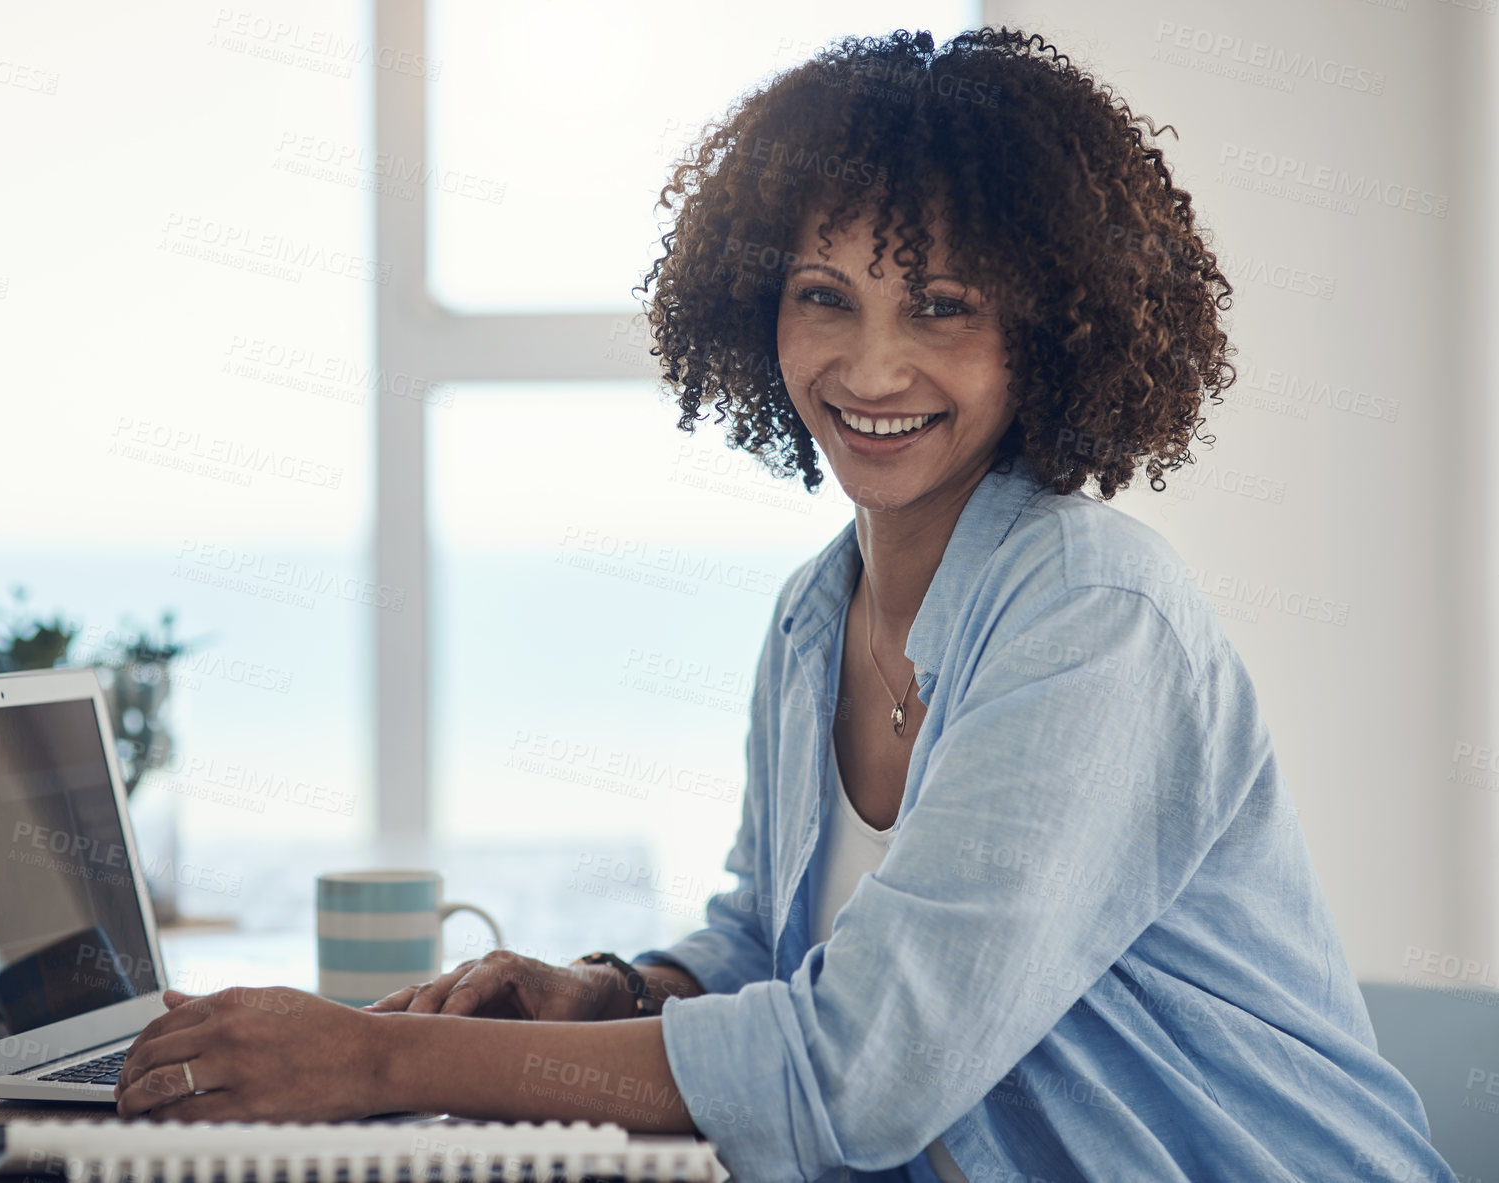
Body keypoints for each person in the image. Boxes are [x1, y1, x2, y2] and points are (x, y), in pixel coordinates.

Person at [114, 27, 1452, 1183]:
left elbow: (860, 1068)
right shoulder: (823, 610)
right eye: (825, 298)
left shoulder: (1094, 619)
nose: (871, 364)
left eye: (940, 308)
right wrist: (612, 991)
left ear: (1041, 332)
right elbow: (772, 935)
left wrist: (376, 1056)